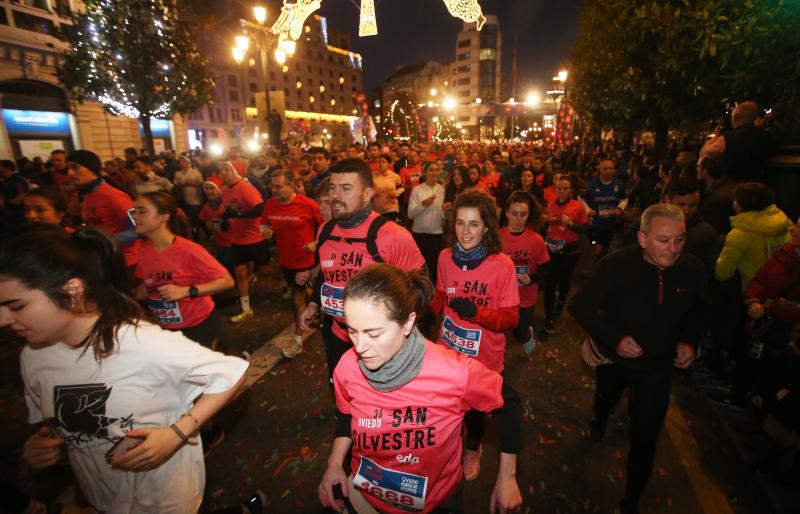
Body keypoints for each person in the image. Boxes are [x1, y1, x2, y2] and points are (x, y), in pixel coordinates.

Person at [1, 224, 248, 513]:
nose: (3, 319)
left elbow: (232, 373)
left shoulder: (142, 343)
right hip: (101, 494)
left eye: (16, 305)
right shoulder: (32, 356)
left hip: (164, 498)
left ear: (72, 292)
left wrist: (177, 433)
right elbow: (59, 420)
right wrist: (44, 443)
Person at [317, 264, 522, 514]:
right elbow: (346, 415)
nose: (360, 347)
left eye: (374, 333)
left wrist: (508, 477)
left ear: (407, 323)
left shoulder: (455, 372)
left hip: (438, 503)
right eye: (352, 331)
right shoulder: (348, 367)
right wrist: (335, 463)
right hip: (367, 498)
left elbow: (508, 404)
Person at [568, 204, 706, 514]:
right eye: (664, 240)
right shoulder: (615, 265)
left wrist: (688, 341)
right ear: (643, 238)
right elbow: (580, 307)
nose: (673, 250)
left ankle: (630, 502)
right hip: (616, 363)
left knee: (645, 437)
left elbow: (696, 312)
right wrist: (616, 339)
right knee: (606, 399)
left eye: (680, 240)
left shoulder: (692, 269)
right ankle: (599, 419)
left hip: (656, 370)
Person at [298, 158, 425, 384]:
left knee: (380, 403)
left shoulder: (392, 235)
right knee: (343, 395)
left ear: (367, 194)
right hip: (337, 333)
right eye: (333, 188)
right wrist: (313, 303)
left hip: (381, 342)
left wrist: (393, 330)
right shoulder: (324, 231)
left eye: (346, 188)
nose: (336, 195)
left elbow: (423, 289)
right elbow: (327, 275)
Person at [431, 190, 522, 485]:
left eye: (473, 224)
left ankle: (473, 447)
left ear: (486, 227)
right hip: (449, 350)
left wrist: (477, 313)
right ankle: (452, 445)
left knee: (475, 411)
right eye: (459, 223)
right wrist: (420, 301)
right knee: (448, 406)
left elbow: (510, 318)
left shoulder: (502, 264)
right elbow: (442, 297)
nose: (465, 232)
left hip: (484, 356)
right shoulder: (444, 257)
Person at [132, 191, 234, 349]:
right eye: (134, 211)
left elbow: (227, 282)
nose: (135, 217)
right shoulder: (142, 251)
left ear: (164, 216)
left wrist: (187, 291)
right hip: (167, 330)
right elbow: (148, 286)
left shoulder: (189, 250)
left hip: (199, 327)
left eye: (142, 211)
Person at [260, 169, 322, 358]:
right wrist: (265, 231)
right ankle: (316, 307)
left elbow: (327, 226)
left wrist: (316, 243)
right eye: (272, 187)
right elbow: (264, 223)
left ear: (291, 185)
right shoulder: (270, 204)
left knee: (297, 300)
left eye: (279, 187)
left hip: (308, 261)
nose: (275, 191)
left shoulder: (307, 204)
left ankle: (297, 340)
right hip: (286, 261)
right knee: (302, 295)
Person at [67, 150, 140, 268]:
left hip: (126, 263)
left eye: (75, 168)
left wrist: (102, 241)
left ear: (92, 169)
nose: (70, 173)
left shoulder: (114, 197)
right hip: (104, 261)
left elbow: (138, 229)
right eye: (68, 168)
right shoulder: (87, 196)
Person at [715, 182, 792, 291]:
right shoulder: (781, 219)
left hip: (754, 289)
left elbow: (723, 273)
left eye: (735, 199)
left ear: (740, 205)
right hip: (784, 283)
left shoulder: (740, 233)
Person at [500, 191, 550, 354]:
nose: (518, 218)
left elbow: (546, 269)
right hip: (502, 297)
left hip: (526, 297)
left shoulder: (536, 239)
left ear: (528, 215)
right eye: (514, 213)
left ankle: (527, 335)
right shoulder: (497, 237)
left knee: (520, 334)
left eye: (523, 214)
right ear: (507, 213)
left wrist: (531, 278)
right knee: (501, 331)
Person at [219, 161, 269, 323]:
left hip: (255, 237)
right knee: (240, 273)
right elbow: (229, 210)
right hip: (237, 239)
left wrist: (238, 216)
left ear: (235, 171)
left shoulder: (246, 187)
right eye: (222, 170)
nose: (223, 173)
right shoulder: (225, 191)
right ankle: (246, 308)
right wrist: (226, 221)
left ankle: (287, 284)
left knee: (266, 271)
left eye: (227, 170)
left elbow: (260, 208)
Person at [542, 174, 589, 335]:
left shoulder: (577, 206)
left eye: (565, 188)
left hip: (569, 252)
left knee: (563, 281)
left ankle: (561, 301)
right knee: (549, 284)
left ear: (571, 190)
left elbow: (585, 229)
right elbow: (546, 226)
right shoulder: (550, 205)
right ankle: (549, 317)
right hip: (551, 251)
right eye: (559, 188)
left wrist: (571, 224)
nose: (561, 191)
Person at [407, 161, 446, 283]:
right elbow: (410, 214)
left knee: (434, 266)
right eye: (431, 170)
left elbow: (443, 214)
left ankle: (433, 294)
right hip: (419, 233)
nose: (434, 172)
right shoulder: (417, 190)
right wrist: (423, 204)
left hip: (436, 234)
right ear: (425, 172)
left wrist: (447, 212)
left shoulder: (442, 191)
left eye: (436, 170)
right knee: (419, 266)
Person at [585, 158, 627, 258]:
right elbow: (580, 199)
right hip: (594, 224)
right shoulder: (591, 184)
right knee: (596, 248)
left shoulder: (619, 184)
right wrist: (588, 210)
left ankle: (600, 266)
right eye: (605, 168)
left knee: (605, 250)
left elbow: (624, 199)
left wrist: (620, 208)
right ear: (600, 169)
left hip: (610, 225)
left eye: (611, 168)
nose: (608, 171)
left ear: (614, 170)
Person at [371, 154, 404, 223]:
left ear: (388, 164)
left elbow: (401, 188)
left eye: (383, 162)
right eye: (379, 162)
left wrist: (396, 193)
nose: (381, 164)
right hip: (377, 209)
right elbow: (367, 189)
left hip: (391, 208)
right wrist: (373, 193)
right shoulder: (372, 175)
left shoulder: (395, 176)